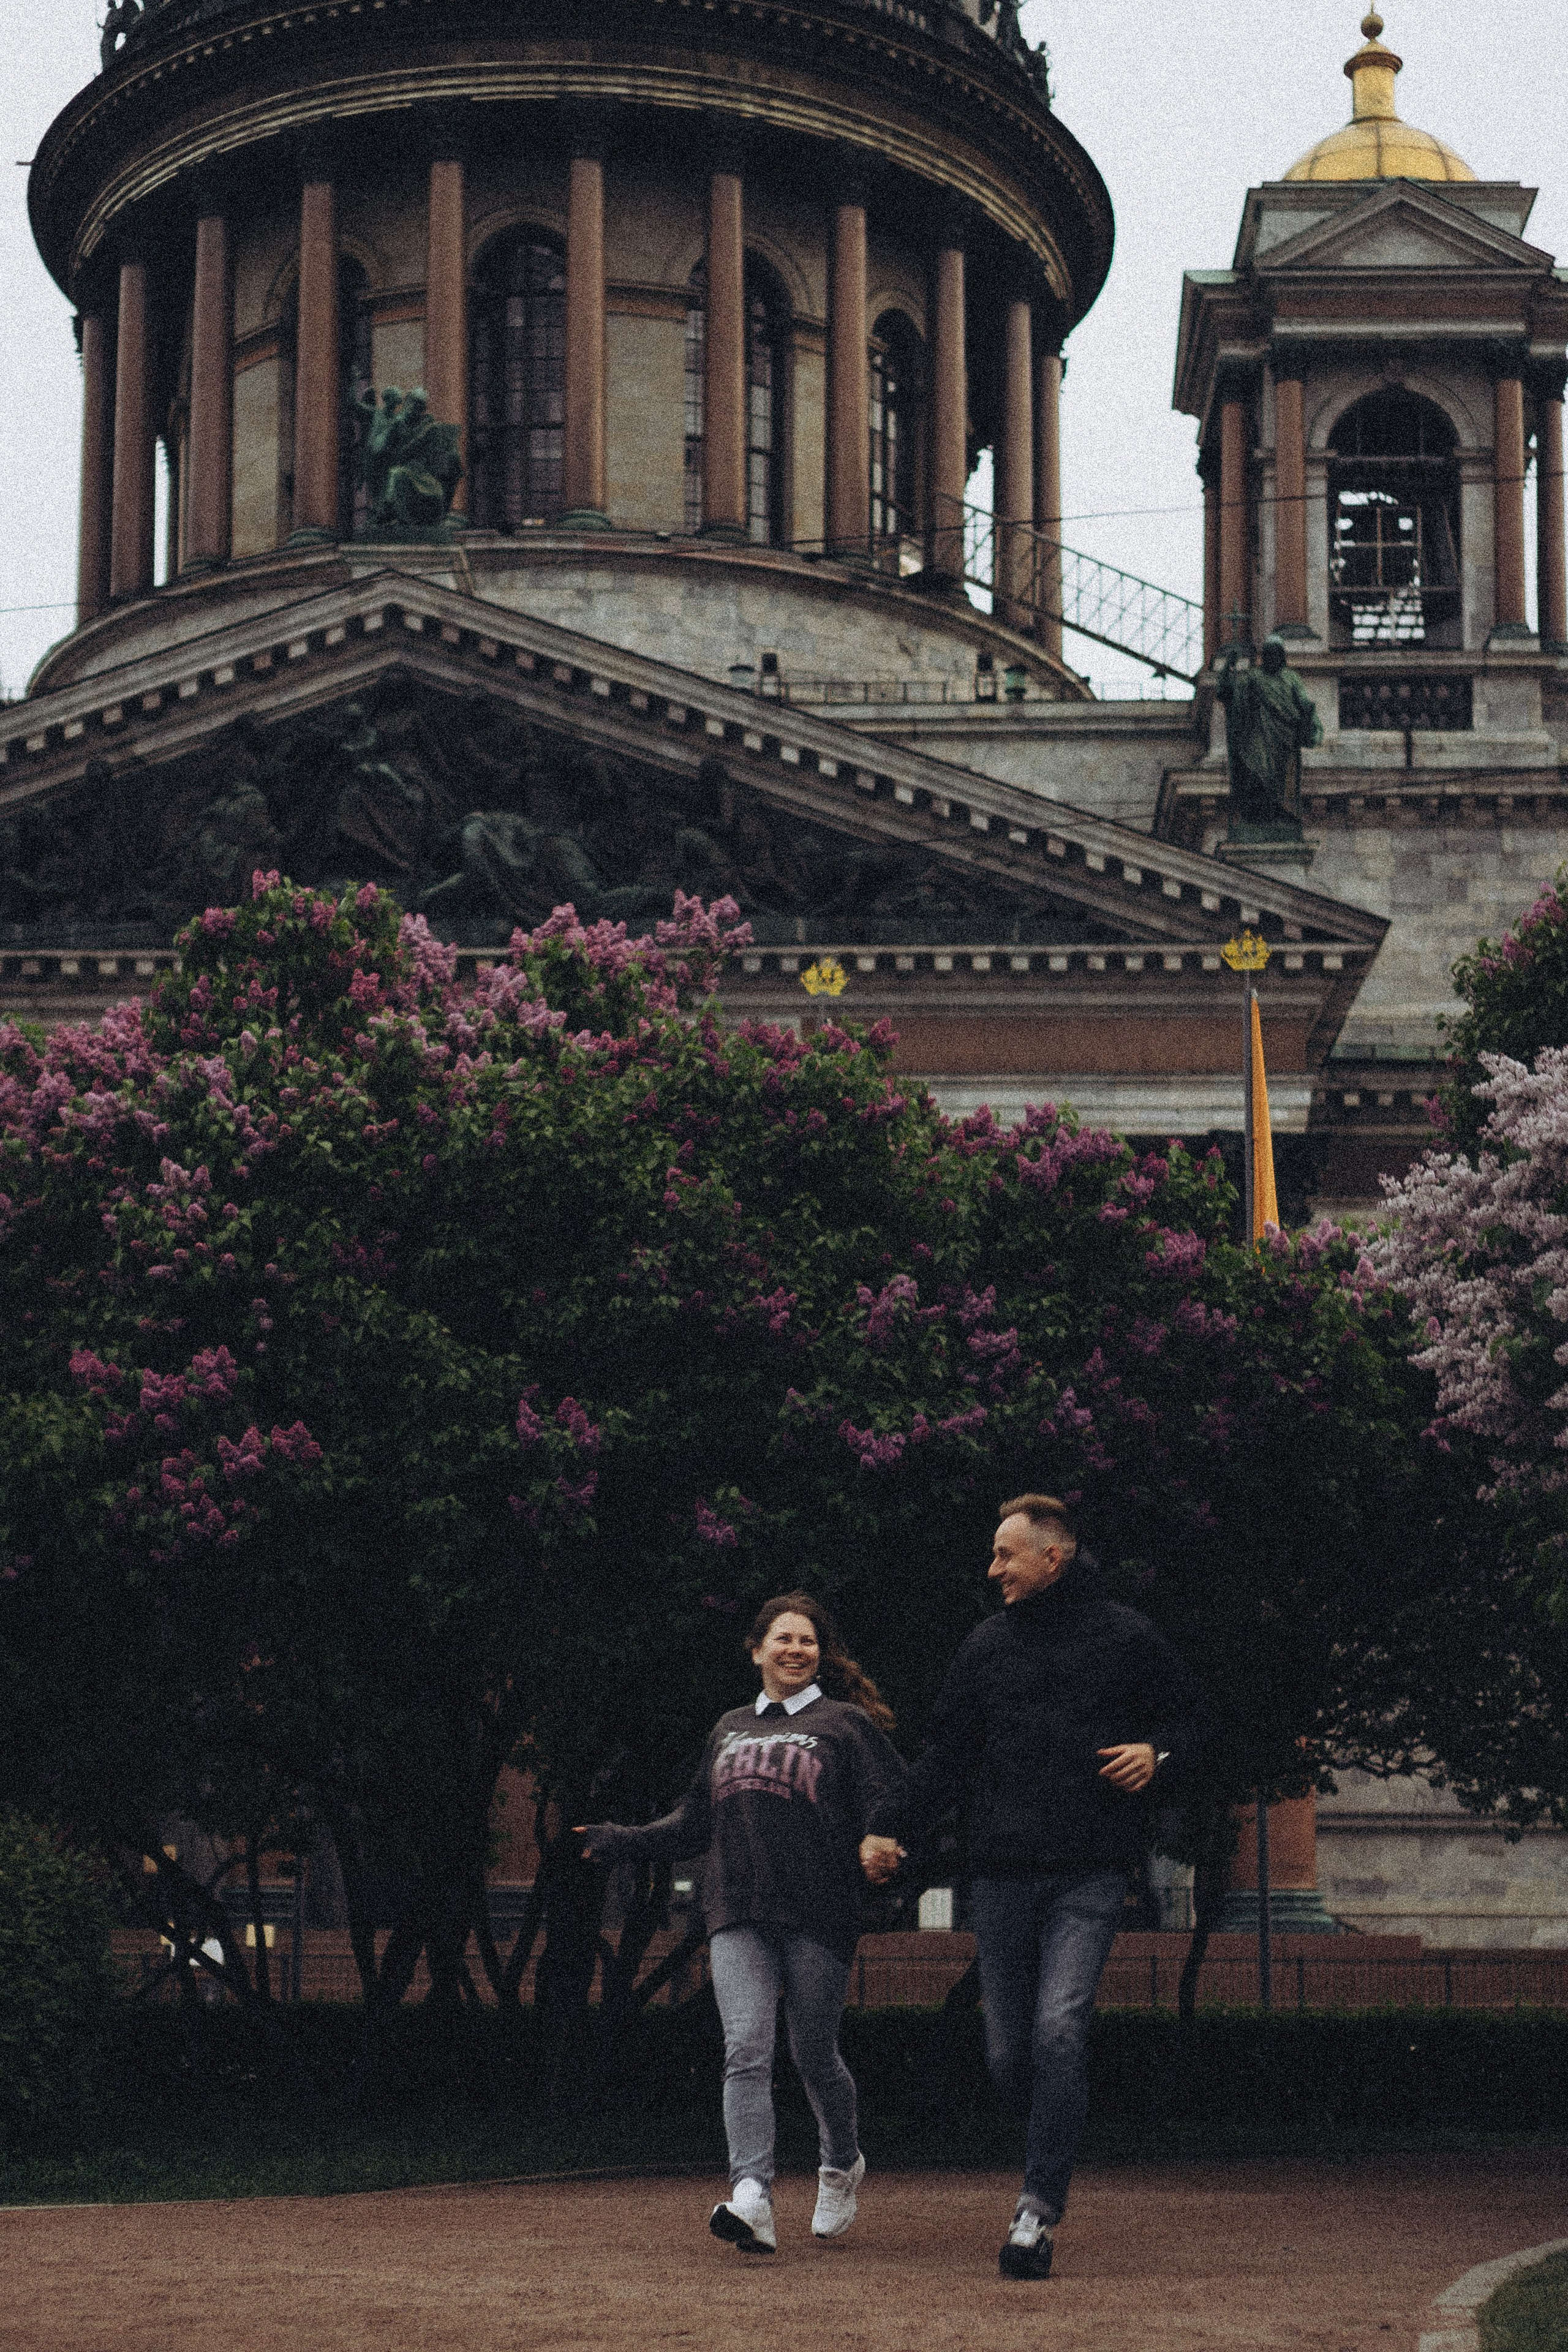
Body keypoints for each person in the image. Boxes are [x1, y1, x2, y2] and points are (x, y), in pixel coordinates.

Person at [860, 1496, 1191, 2282]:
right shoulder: (985, 1646)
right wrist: (886, 1823)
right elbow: (942, 1754)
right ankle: (1054, 2127)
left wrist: (1159, 1752)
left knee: (1057, 2032)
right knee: (1012, 2054)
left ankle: (1035, 2211)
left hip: (1090, 1873)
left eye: (1005, 1555)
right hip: (1002, 1875)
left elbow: (1197, 1721)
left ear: (1054, 1558)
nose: (992, 1569)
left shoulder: (1127, 1636)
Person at [580, 1593, 905, 2254]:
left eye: (807, 1641)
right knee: (746, 2048)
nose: (794, 1650)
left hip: (818, 1912)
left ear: (821, 1654)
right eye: (782, 1639)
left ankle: (841, 2163)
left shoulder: (844, 1724)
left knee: (814, 2054)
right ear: (756, 1650)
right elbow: (693, 1823)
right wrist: (621, 1838)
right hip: (736, 1912)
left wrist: (886, 1850)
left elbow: (896, 1802)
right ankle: (752, 2193)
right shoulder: (728, 1727)